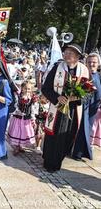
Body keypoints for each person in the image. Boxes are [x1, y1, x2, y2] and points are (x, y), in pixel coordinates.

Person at [42, 43, 91, 172]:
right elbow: (45, 88)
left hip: (74, 110)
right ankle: (50, 162)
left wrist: (78, 97)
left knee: (68, 135)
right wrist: (57, 97)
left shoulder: (84, 70)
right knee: (54, 135)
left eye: (71, 53)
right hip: (58, 108)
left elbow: (89, 91)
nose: (67, 55)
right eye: (66, 52)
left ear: (77, 57)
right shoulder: (57, 67)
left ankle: (59, 159)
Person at [7, 81, 38, 155]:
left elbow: (33, 109)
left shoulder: (32, 98)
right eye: (25, 88)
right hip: (18, 118)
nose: (27, 90)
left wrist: (33, 118)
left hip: (26, 119)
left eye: (29, 89)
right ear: (22, 89)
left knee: (24, 132)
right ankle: (16, 147)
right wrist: (18, 111)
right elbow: (16, 106)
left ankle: (21, 146)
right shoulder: (19, 97)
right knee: (17, 132)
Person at [86, 53, 101, 148]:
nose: (91, 64)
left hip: (94, 110)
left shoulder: (99, 76)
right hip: (84, 110)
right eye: (89, 62)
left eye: (94, 62)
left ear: (99, 63)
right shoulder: (83, 76)